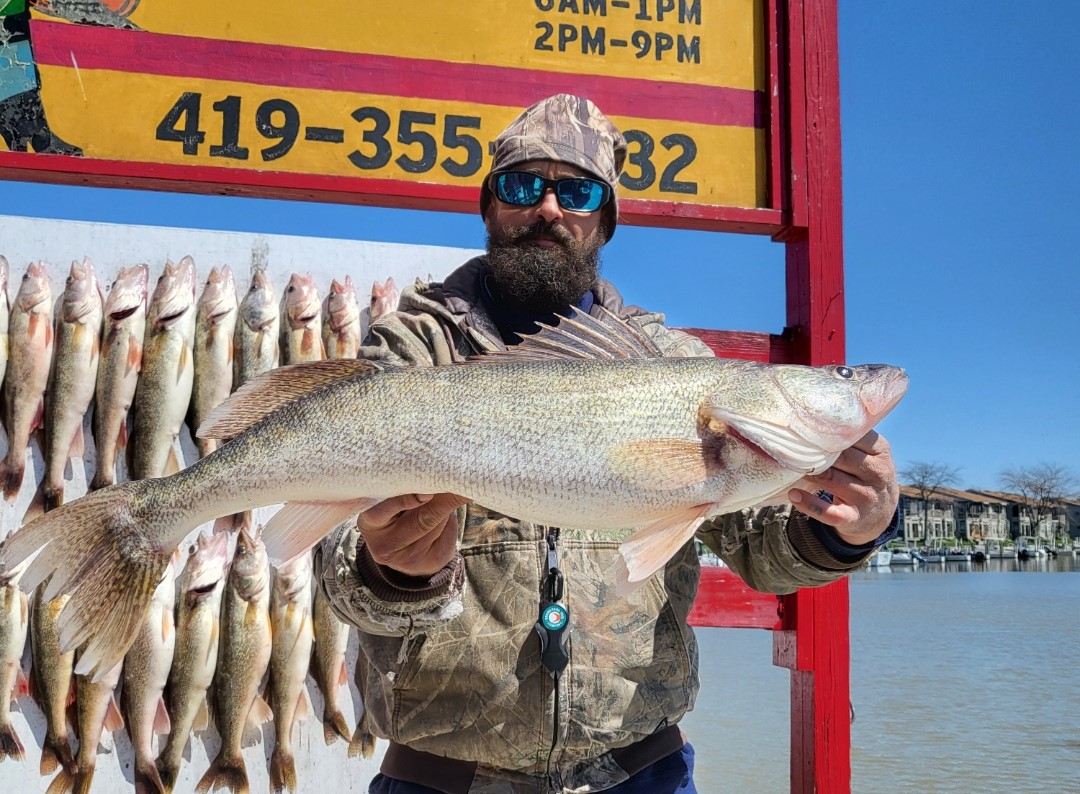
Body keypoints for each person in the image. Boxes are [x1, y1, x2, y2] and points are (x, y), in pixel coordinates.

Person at [314, 94, 900, 794]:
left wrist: (850, 528)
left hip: (638, 772)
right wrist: (397, 571)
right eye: (522, 184)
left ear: (607, 220)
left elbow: (765, 552)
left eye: (578, 190)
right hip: (440, 779)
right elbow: (334, 568)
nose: (549, 209)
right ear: (489, 205)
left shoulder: (674, 363)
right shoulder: (414, 349)